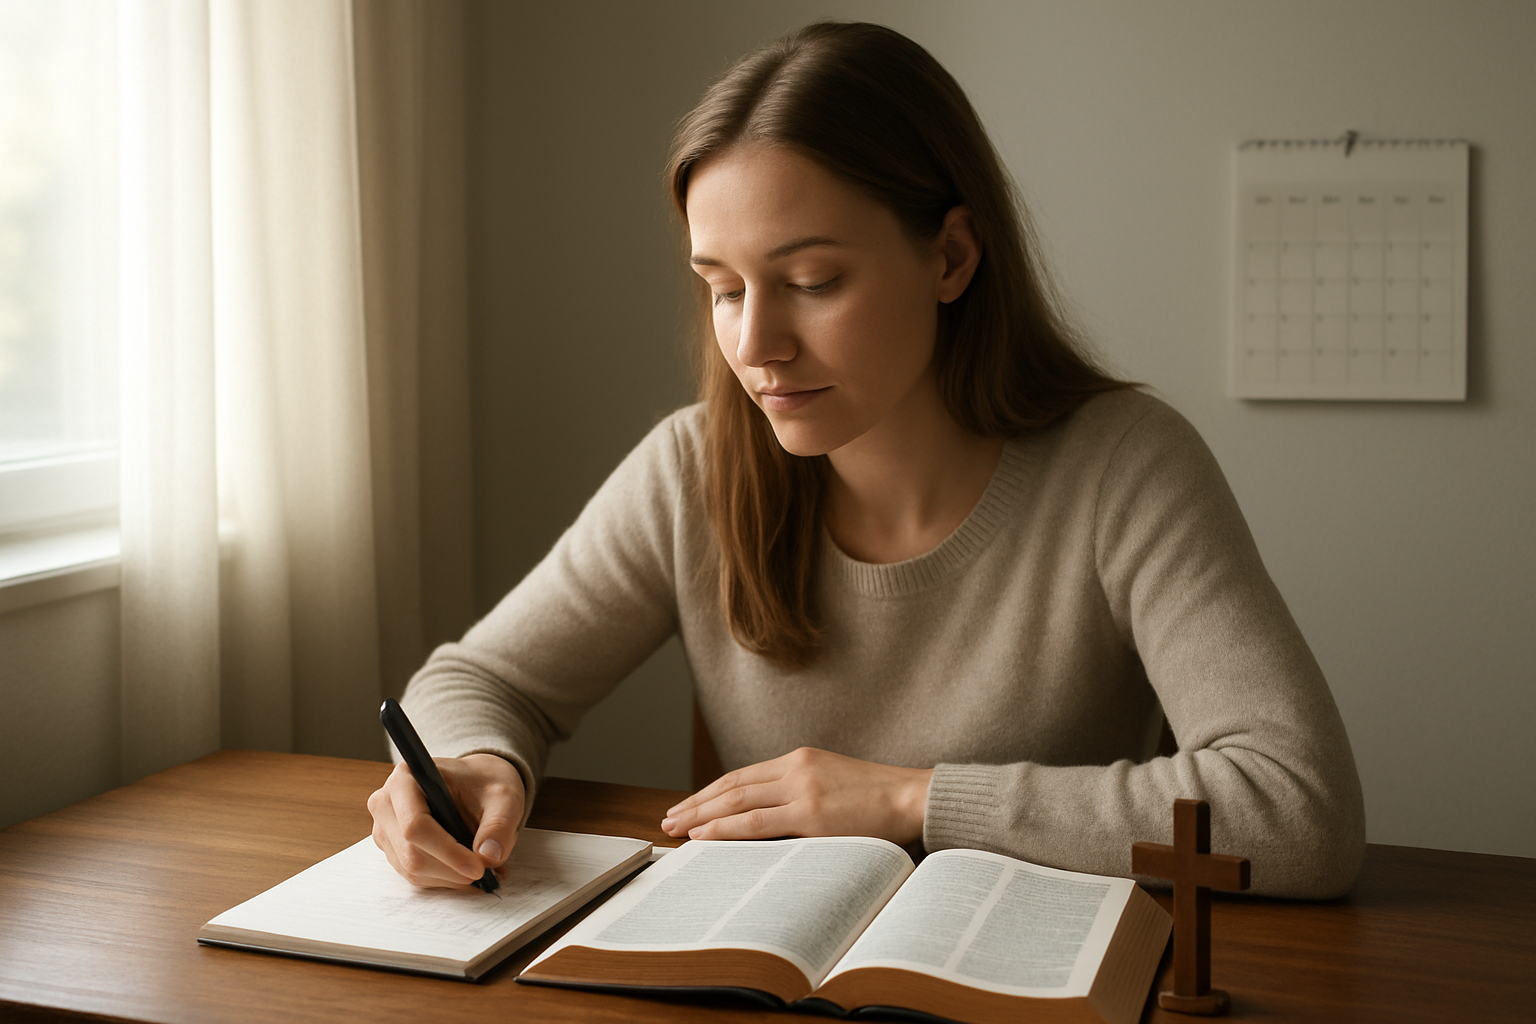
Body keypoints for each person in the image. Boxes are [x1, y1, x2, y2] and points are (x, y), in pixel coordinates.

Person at [367, 21, 1365, 899]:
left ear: (951, 259)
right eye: (722, 287)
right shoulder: (695, 469)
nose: (756, 343)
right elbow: (482, 678)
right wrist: (477, 760)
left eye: (809, 280)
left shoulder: (1125, 469)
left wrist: (908, 799)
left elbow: (1297, 807)